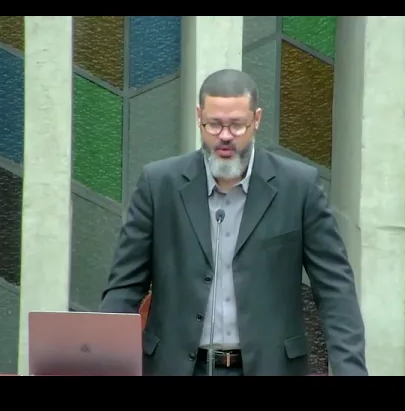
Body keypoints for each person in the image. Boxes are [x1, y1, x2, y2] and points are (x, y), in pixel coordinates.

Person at [99, 69, 367, 376]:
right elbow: (124, 289)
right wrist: (101, 363)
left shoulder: (299, 187)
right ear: (199, 117)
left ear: (256, 119)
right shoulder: (158, 185)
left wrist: (350, 371)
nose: (225, 136)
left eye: (237, 125)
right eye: (214, 124)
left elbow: (335, 291)